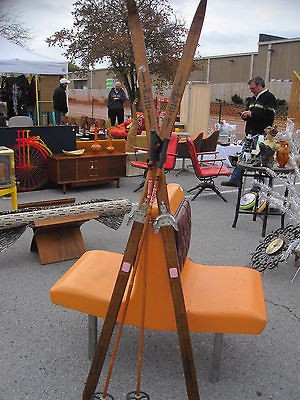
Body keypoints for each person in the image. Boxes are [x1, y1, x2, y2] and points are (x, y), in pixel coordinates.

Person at [221, 76, 276, 187]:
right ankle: (235, 179)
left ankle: (258, 185)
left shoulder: (269, 98)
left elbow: (269, 116)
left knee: (259, 160)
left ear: (260, 86)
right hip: (250, 133)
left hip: (261, 134)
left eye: (253, 88)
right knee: (243, 156)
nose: (251, 91)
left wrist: (252, 114)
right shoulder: (252, 99)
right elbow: (250, 114)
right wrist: (245, 116)